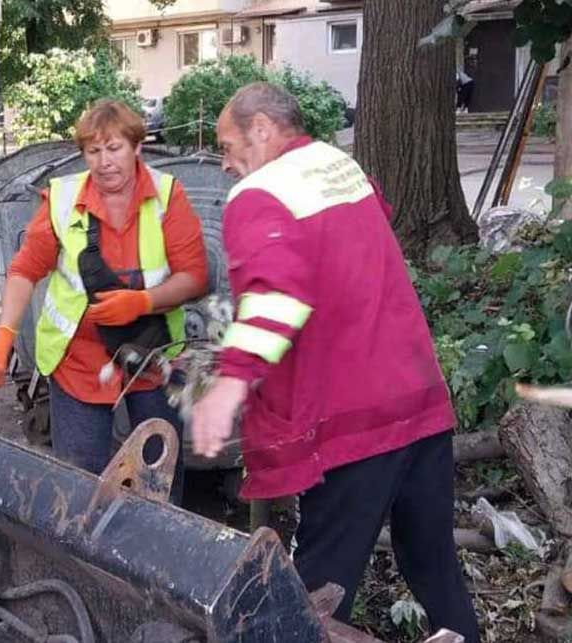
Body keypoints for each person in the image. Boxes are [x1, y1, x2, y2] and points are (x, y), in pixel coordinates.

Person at [191, 82, 479, 642]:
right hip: (418, 398)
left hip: (351, 422)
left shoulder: (260, 194)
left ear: (261, 129)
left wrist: (229, 386)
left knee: (316, 591)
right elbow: (356, 243)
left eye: (227, 147)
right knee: (433, 564)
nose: (225, 164)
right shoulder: (338, 166)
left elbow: (276, 297)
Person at [0, 100, 208, 504]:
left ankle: (157, 536)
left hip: (152, 352)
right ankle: (85, 540)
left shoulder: (167, 196)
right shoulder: (62, 199)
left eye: (115, 148)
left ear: (137, 147)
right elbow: (25, 269)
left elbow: (195, 277)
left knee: (158, 474)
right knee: (79, 479)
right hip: (81, 359)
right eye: (93, 151)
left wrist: (141, 302)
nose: (104, 162)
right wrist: (5, 331)